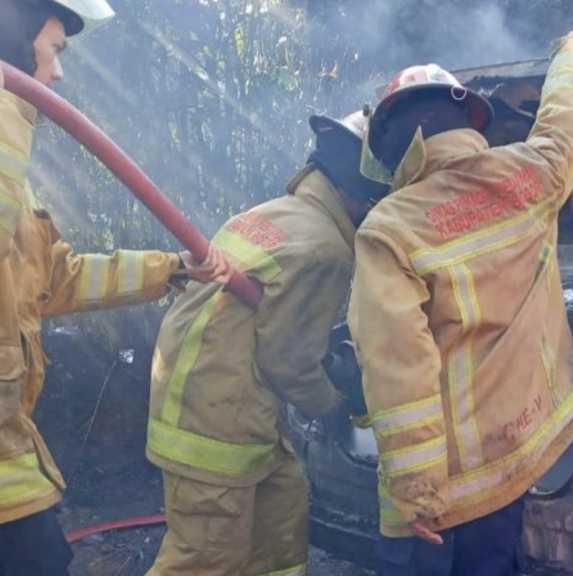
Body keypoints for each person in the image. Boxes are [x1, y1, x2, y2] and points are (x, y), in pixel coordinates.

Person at [348, 28, 573, 576]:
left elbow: (399, 368)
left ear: (394, 150)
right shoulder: (533, 175)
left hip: (437, 502)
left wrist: (417, 491)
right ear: (469, 120)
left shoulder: (389, 228)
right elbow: (570, 119)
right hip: (510, 468)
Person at [0, 1, 229, 575]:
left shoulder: (16, 184)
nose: (56, 75)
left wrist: (172, 267)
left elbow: (56, 279)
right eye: (53, 52)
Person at [145, 110, 381, 576]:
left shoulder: (268, 214)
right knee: (206, 560)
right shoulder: (325, 249)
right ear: (365, 194)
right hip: (214, 427)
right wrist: (334, 405)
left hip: (215, 401)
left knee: (279, 526)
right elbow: (288, 357)